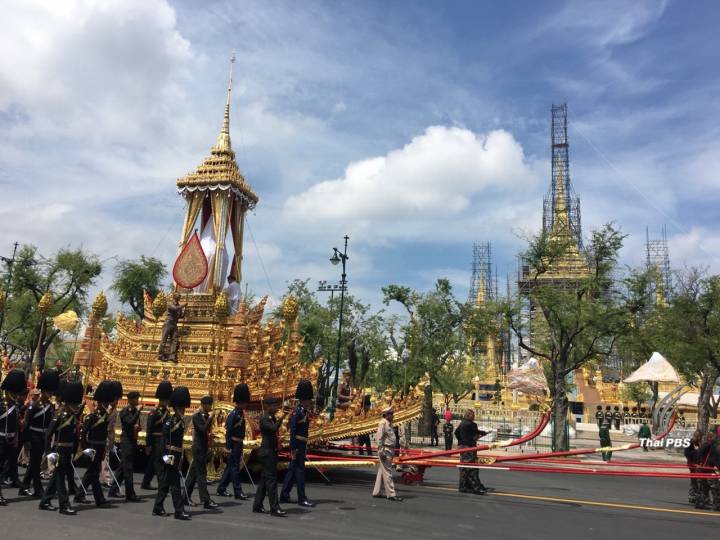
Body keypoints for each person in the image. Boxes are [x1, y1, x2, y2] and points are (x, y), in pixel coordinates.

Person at [39, 380, 84, 515]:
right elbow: (48, 435)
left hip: (67, 450)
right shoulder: (60, 415)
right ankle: (64, 505)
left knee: (56, 478)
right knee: (60, 479)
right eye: (74, 404)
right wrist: (48, 452)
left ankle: (45, 501)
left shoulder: (72, 415)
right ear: (68, 402)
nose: (76, 406)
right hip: (59, 450)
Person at [153, 386, 191, 520]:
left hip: (176, 455)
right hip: (170, 455)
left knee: (165, 482)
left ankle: (157, 507)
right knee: (175, 484)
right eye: (183, 407)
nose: (184, 410)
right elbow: (164, 440)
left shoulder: (179, 421)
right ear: (179, 407)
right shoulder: (172, 421)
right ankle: (179, 511)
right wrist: (165, 456)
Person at [20, 370, 59, 498]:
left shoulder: (50, 406)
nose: (52, 393)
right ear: (45, 390)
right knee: (35, 464)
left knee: (34, 464)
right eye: (50, 390)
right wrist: (26, 441)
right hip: (34, 436)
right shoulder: (34, 405)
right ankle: (38, 489)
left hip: (43, 437)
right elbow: (26, 424)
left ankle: (24, 486)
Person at [77, 380, 114, 507]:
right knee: (93, 473)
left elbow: (104, 436)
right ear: (101, 402)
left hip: (100, 446)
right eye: (106, 402)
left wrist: (103, 449)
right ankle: (99, 499)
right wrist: (85, 448)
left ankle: (79, 494)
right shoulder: (92, 417)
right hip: (92, 446)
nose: (108, 404)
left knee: (92, 472)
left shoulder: (105, 415)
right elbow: (84, 433)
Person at [281, 380, 315, 507]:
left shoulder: (304, 411)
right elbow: (293, 430)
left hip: (302, 443)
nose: (309, 401)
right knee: (300, 471)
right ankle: (302, 498)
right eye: (308, 399)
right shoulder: (297, 412)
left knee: (292, 470)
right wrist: (293, 447)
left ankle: (284, 494)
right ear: (304, 399)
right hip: (298, 444)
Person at [252, 396, 288, 516]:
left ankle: (257, 505)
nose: (276, 408)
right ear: (267, 406)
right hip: (267, 453)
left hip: (271, 451)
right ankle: (274, 507)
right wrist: (281, 418)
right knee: (271, 480)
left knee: (264, 479)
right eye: (273, 406)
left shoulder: (271, 417)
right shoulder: (264, 419)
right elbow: (273, 429)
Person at [216, 383, 249, 500]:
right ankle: (237, 490)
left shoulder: (240, 414)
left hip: (238, 443)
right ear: (241, 401)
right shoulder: (234, 414)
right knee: (235, 467)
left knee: (231, 467)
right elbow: (228, 431)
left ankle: (221, 488)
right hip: (234, 444)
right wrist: (228, 446)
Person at [186, 395, 218, 509]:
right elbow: (202, 429)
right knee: (201, 475)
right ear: (205, 405)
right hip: (198, 447)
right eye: (210, 405)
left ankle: (185, 496)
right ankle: (206, 499)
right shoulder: (196, 416)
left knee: (193, 473)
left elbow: (205, 431)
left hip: (203, 446)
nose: (211, 408)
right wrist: (210, 418)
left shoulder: (204, 415)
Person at [0, 369, 26, 506]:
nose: (16, 395)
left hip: (10, 441)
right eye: (14, 392)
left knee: (6, 467)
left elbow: (17, 425)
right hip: (0, 440)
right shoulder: (1, 405)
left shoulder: (15, 406)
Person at [141, 381, 173, 490]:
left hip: (162, 439)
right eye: (166, 400)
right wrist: (148, 444)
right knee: (159, 461)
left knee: (152, 462)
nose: (167, 401)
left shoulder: (167, 412)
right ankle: (162, 483)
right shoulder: (154, 413)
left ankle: (145, 482)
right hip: (156, 440)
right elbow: (149, 429)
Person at [372, 406, 402, 502]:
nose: (393, 416)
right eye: (391, 414)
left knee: (382, 471)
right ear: (386, 415)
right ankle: (391, 494)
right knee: (388, 472)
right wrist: (381, 451)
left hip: (390, 449)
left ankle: (377, 492)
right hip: (386, 450)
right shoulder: (383, 423)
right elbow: (379, 439)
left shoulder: (389, 424)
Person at [455, 409, 488, 495]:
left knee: (464, 467)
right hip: (469, 448)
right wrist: (482, 433)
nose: (474, 417)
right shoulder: (472, 425)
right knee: (472, 467)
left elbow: (456, 432)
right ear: (470, 416)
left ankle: (463, 486)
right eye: (473, 415)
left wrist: (461, 441)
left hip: (463, 447)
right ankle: (475, 487)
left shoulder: (462, 423)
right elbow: (476, 433)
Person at [117, 391, 142, 502]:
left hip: (133, 439)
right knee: (128, 469)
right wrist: (138, 411)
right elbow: (130, 422)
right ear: (130, 400)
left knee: (123, 467)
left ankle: (113, 488)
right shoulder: (124, 412)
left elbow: (136, 424)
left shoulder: (134, 411)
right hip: (126, 441)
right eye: (136, 399)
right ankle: (130, 493)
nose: (137, 401)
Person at [158, 292, 186, 362]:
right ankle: (160, 355)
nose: (180, 295)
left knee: (175, 340)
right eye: (178, 295)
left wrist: (185, 310)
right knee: (164, 339)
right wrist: (183, 306)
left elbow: (181, 316)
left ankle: (172, 356)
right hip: (168, 323)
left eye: (180, 295)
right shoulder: (170, 304)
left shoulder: (179, 306)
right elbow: (175, 309)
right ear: (174, 296)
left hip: (174, 324)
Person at [694, 432, 718, 510]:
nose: (716, 438)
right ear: (710, 437)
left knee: (703, 487)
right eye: (714, 437)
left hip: (705, 469)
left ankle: (701, 503)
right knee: (715, 487)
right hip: (706, 469)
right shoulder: (709, 445)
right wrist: (700, 463)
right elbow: (700, 454)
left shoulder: (709, 445)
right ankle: (716, 505)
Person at [684, 430, 702, 506]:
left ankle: (695, 496)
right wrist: (696, 451)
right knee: (695, 480)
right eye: (698, 436)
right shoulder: (689, 443)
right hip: (692, 464)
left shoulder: (698, 443)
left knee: (697, 480)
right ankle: (693, 496)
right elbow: (686, 453)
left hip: (698, 464)